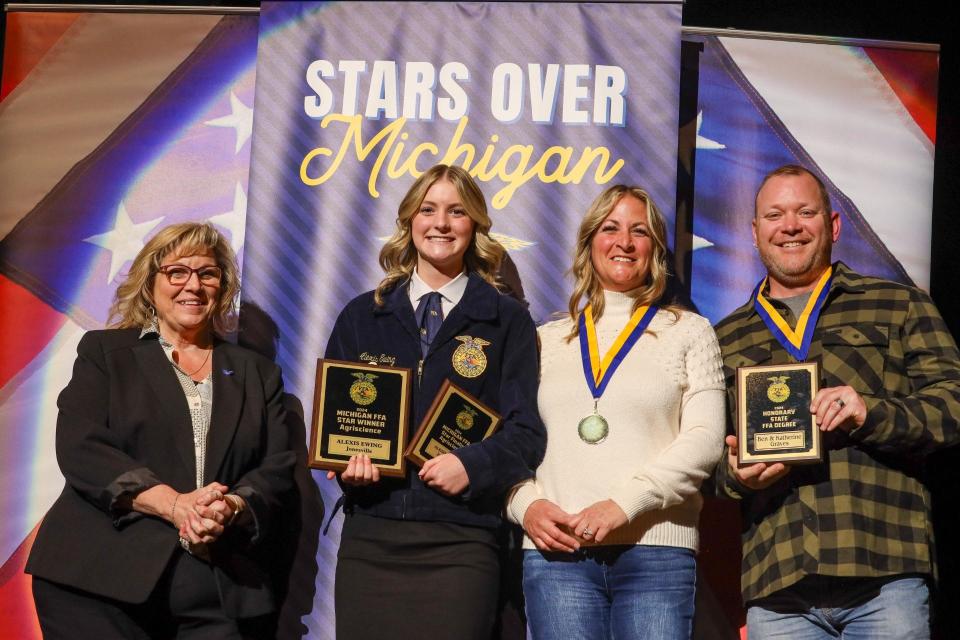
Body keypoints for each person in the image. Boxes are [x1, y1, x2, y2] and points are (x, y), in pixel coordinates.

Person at [714, 164, 960, 639]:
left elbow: (952, 404)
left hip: (884, 571)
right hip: (777, 581)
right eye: (775, 215)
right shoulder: (723, 336)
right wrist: (734, 475)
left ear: (833, 225)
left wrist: (871, 413)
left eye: (806, 212)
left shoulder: (897, 304)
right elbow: (705, 460)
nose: (790, 226)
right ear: (754, 231)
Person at [26, 222, 296, 638]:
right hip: (98, 581)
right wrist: (174, 505)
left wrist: (231, 507)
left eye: (207, 273)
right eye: (177, 272)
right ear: (150, 283)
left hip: (216, 584)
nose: (194, 285)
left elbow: (275, 468)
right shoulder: (105, 353)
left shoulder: (257, 373)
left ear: (222, 286)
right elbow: (83, 447)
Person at [324, 164, 546, 640]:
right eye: (428, 210)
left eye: (456, 211)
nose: (440, 224)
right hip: (371, 537)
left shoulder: (506, 320)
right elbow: (336, 423)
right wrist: (346, 465)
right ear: (409, 221)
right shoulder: (364, 314)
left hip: (462, 542)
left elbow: (526, 434)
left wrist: (472, 465)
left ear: (475, 226)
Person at [506, 185, 726, 639]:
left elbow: (705, 440)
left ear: (656, 249)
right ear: (590, 242)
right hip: (557, 556)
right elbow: (509, 440)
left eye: (639, 231)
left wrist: (625, 505)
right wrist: (524, 506)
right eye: (610, 228)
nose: (624, 242)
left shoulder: (690, 331)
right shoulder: (545, 338)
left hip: (656, 555)